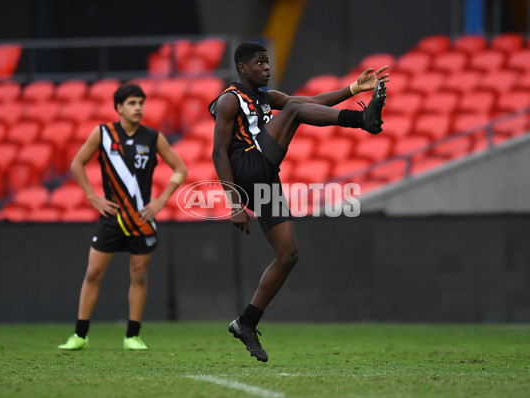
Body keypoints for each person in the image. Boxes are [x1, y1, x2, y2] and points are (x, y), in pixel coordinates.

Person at [210, 41, 388, 362]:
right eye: (261, 63)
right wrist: (234, 203)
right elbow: (218, 153)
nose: (267, 67)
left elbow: (313, 102)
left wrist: (353, 87)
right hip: (248, 169)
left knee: (288, 255)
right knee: (293, 110)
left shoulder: (267, 98)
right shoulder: (228, 101)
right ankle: (362, 121)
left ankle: (246, 323)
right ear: (243, 68)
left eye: (268, 63)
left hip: (265, 177)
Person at [58, 83, 187, 351]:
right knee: (93, 272)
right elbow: (76, 163)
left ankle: (132, 336)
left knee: (139, 276)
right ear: (118, 107)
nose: (138, 107)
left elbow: (180, 169)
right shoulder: (103, 133)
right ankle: (80, 335)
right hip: (111, 218)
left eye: (141, 102)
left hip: (141, 217)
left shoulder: (153, 137)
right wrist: (92, 197)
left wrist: (161, 200)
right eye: (132, 103)